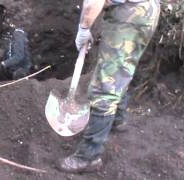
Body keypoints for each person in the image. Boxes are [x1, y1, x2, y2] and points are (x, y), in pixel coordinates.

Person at [57, 0, 160, 173]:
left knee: (104, 87)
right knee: (122, 68)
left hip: (128, 16)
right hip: (148, 9)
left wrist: (83, 28)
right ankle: (117, 120)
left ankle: (89, 156)